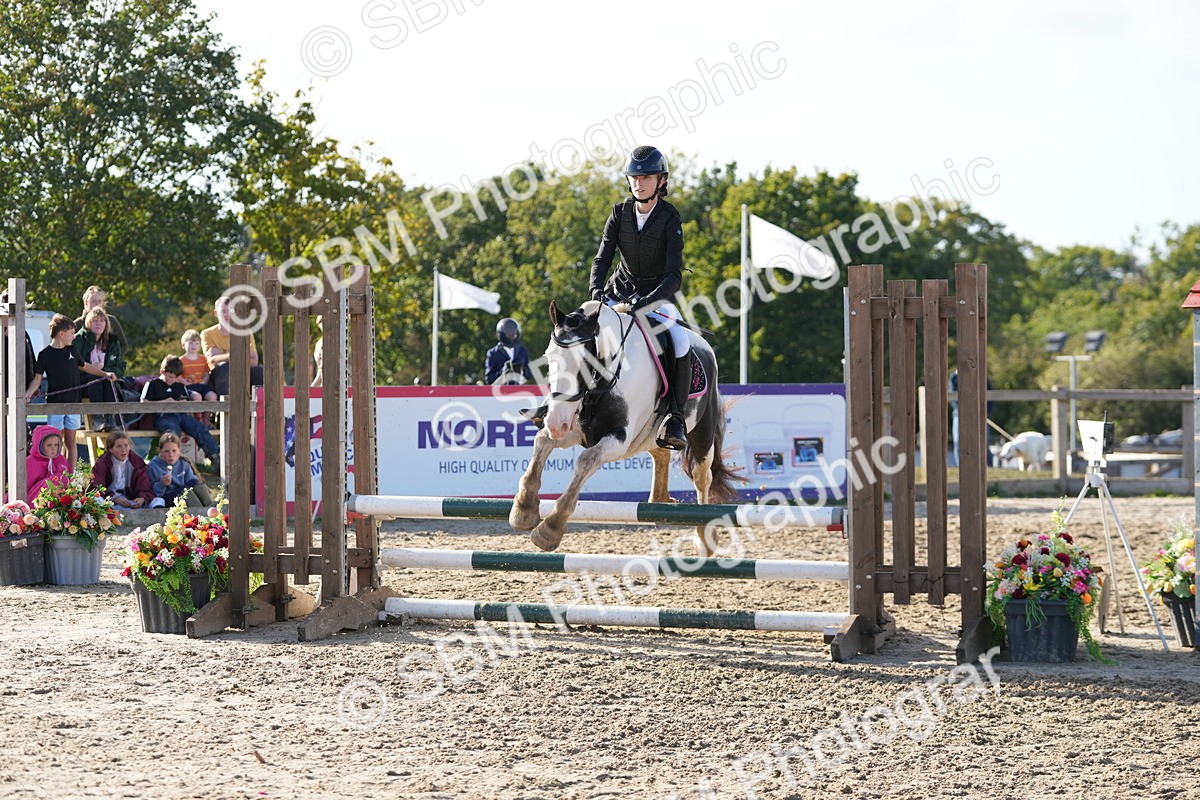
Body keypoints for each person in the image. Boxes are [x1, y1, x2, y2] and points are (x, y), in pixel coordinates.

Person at [589, 145, 690, 449]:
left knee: (680, 341)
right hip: (619, 291)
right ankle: (562, 402)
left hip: (656, 298)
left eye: (646, 177)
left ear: (661, 181)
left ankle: (675, 417)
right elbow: (602, 259)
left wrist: (647, 303)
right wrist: (596, 291)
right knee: (581, 330)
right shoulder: (618, 213)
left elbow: (674, 275)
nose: (639, 182)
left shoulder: (670, 218)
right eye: (634, 177)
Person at [25, 315, 85, 465]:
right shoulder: (44, 355)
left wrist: (104, 374)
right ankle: (56, 471)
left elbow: (84, 365)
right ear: (61, 333)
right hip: (55, 404)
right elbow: (37, 379)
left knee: (71, 441)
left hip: (74, 402)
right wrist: (28, 394)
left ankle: (70, 474)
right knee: (55, 441)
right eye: (72, 333)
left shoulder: (72, 350)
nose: (74, 336)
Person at [141, 355, 221, 466]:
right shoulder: (152, 384)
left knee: (200, 428)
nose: (172, 380)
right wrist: (164, 402)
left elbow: (186, 400)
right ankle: (171, 463)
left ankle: (215, 456)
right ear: (162, 371)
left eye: (175, 378)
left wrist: (183, 402)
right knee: (172, 433)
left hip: (181, 415)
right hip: (163, 416)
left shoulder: (179, 386)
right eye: (170, 377)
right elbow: (143, 403)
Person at [73, 307, 125, 431]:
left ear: (106, 324)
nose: (99, 323)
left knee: (107, 379)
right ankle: (97, 418)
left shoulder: (112, 342)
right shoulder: (78, 339)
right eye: (95, 321)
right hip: (82, 383)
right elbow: (73, 365)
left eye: (102, 321)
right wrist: (93, 369)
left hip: (106, 381)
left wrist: (110, 372)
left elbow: (120, 365)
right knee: (98, 378)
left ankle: (110, 418)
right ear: (88, 323)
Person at [201, 296, 263, 396]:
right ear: (216, 313)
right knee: (224, 367)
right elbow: (212, 360)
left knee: (259, 371)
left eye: (230, 311)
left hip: (242, 371)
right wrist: (239, 355)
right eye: (223, 311)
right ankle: (226, 404)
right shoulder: (207, 333)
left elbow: (253, 360)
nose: (226, 315)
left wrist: (223, 356)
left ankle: (258, 403)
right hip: (219, 375)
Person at [89, 431, 154, 508]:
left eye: (126, 445)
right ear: (111, 449)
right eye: (119, 446)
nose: (124, 450)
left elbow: (144, 483)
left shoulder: (136, 461)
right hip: (109, 500)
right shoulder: (103, 462)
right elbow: (96, 485)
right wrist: (113, 497)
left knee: (157, 501)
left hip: (131, 499)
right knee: (97, 499)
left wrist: (142, 497)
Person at [145, 432, 206, 508]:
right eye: (166, 451)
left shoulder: (183, 464)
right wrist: (161, 484)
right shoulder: (153, 466)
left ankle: (209, 507)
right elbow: (152, 492)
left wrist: (195, 483)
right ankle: (200, 511)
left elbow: (192, 481)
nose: (171, 455)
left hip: (183, 493)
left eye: (174, 451)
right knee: (186, 491)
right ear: (160, 451)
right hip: (166, 498)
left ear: (179, 450)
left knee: (198, 487)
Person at [949, 370, 996, 467]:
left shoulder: (980, 375)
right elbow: (952, 396)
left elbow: (990, 394)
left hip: (979, 413)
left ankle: (989, 466)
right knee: (958, 442)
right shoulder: (954, 377)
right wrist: (963, 409)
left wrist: (986, 411)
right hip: (959, 414)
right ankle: (960, 466)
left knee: (984, 442)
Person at [74, 286, 129, 359]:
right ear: (86, 302)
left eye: (99, 301)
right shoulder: (77, 324)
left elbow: (124, 345)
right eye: (93, 301)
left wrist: (112, 360)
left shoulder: (111, 320)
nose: (97, 304)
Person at [25, 425, 70, 504]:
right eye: (49, 445)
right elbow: (23, 487)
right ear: (40, 445)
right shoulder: (30, 462)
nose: (53, 448)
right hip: (35, 502)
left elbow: (69, 478)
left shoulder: (61, 460)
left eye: (56, 445)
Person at [485, 318, 534, 385]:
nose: (512, 335)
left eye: (513, 332)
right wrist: (503, 372)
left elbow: (530, 375)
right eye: (509, 333)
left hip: (519, 389)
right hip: (501, 390)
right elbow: (489, 380)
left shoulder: (522, 351)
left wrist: (522, 370)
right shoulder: (493, 353)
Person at [179, 329, 218, 402]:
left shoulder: (203, 359)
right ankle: (197, 410)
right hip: (188, 386)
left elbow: (206, 373)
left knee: (213, 396)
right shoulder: (181, 360)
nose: (194, 345)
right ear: (183, 345)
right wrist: (186, 383)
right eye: (190, 343)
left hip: (201, 385)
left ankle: (208, 410)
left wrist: (203, 382)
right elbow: (178, 376)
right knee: (197, 397)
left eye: (196, 343)